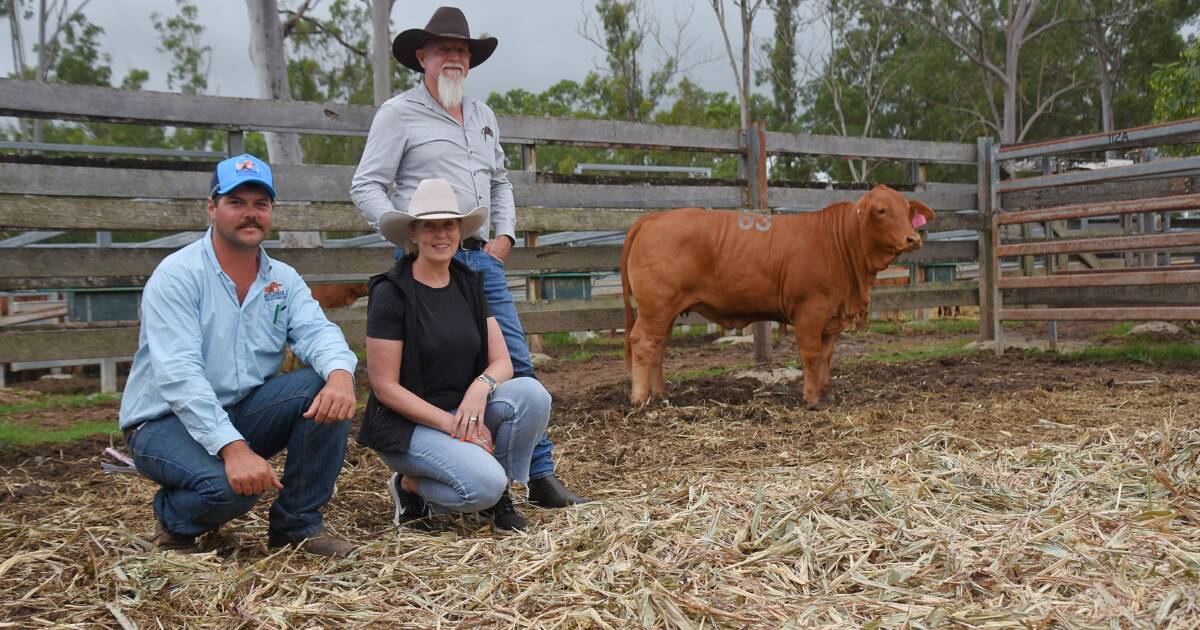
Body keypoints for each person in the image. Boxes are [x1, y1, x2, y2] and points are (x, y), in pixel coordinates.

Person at [351, 6, 585, 507]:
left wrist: (505, 235)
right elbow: (366, 183)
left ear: (470, 60)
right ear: (422, 56)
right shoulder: (398, 114)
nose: (453, 57)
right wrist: (405, 233)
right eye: (443, 49)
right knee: (431, 366)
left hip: (479, 256)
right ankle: (454, 470)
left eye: (461, 50)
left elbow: (499, 181)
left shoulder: (483, 117)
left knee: (515, 364)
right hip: (428, 258)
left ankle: (534, 473)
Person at [119, 154, 359, 557]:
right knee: (231, 491)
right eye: (237, 202)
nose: (250, 214)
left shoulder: (282, 279)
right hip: (163, 421)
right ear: (212, 208)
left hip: (241, 409)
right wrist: (233, 449)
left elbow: (317, 331)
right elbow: (179, 373)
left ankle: (297, 525)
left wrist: (341, 374)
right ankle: (173, 519)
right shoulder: (178, 275)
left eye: (260, 204)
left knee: (325, 385)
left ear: (271, 212)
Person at [359, 178, 552, 532]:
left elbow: (503, 362)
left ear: (460, 231)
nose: (440, 234)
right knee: (481, 486)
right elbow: (385, 387)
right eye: (429, 225)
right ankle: (409, 485)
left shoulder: (468, 283)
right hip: (410, 425)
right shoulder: (391, 293)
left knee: (532, 395)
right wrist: (454, 427)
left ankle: (500, 498)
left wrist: (480, 388)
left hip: (464, 409)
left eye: (448, 224)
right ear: (413, 233)